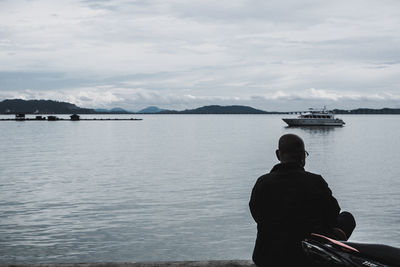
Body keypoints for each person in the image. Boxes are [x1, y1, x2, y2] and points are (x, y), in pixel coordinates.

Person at [249, 134, 356, 267]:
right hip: (307, 257)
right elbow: (333, 215)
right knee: (346, 218)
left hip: (266, 257)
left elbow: (257, 215)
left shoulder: (262, 183)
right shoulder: (315, 182)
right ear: (302, 156)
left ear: (278, 155)